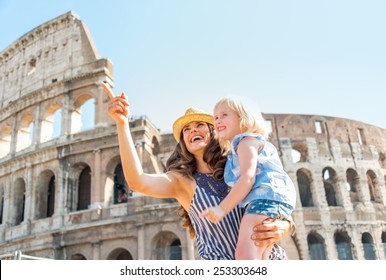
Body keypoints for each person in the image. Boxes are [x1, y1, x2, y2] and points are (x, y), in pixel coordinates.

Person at [101, 82, 293, 260]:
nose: (193, 130)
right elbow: (138, 181)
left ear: (214, 132)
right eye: (187, 130)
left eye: (200, 125)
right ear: (184, 142)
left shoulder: (237, 167)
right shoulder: (180, 181)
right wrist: (122, 124)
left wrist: (285, 225)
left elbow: (272, 196)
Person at [200, 96, 297, 260]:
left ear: (243, 119)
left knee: (245, 256)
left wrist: (222, 209)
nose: (217, 120)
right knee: (261, 256)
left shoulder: (245, 143)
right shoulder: (246, 145)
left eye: (224, 115)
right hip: (272, 202)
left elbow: (247, 178)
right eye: (215, 117)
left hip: (263, 201)